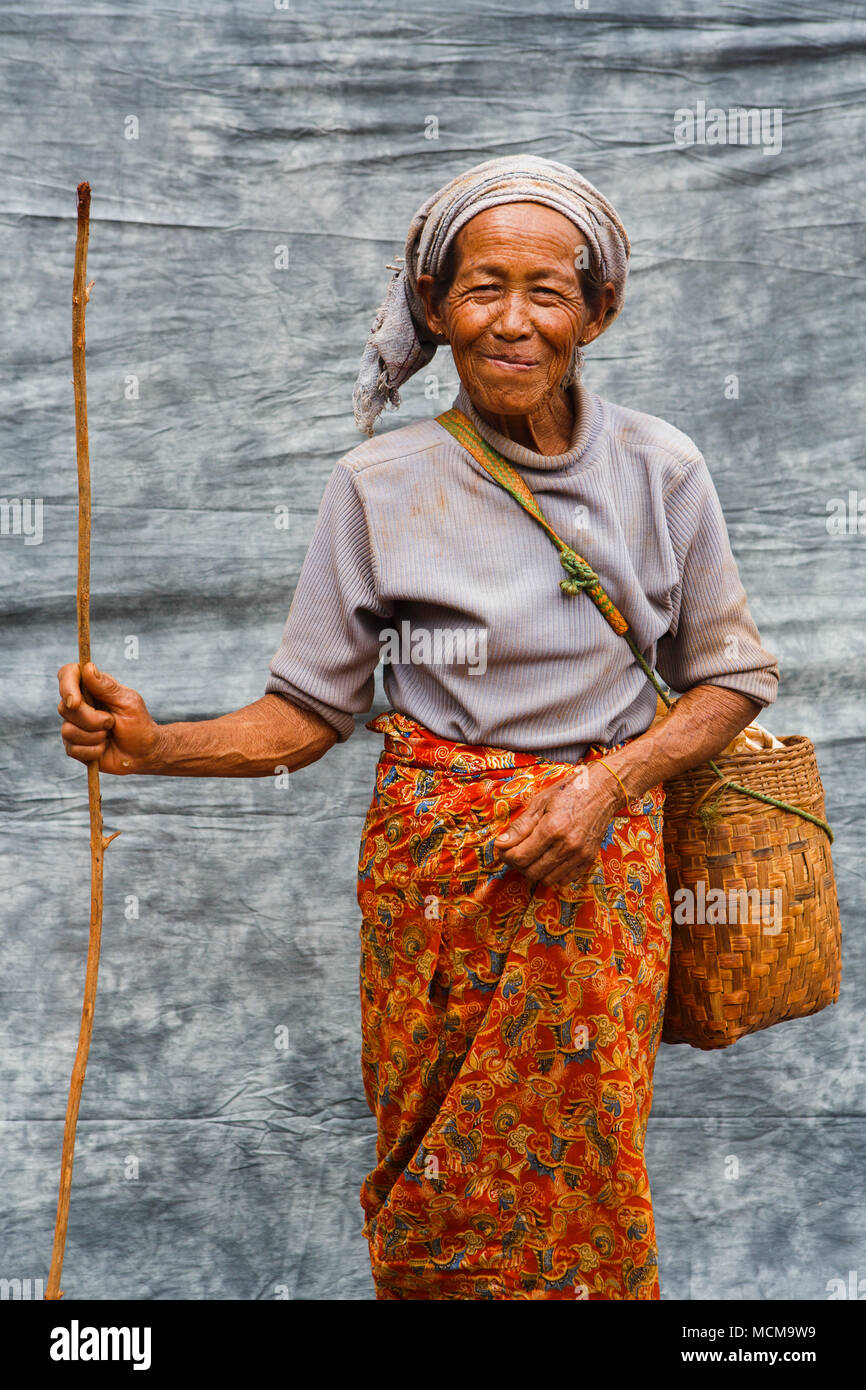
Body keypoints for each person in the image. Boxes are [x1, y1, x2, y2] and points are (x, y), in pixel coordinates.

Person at [57, 155, 779, 1301]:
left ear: (599, 308)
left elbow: (730, 680)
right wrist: (154, 745)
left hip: (598, 883)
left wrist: (607, 785)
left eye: (547, 290)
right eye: (481, 286)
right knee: (431, 1156)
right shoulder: (377, 483)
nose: (511, 321)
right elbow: (305, 715)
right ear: (434, 306)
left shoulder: (662, 468)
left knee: (585, 1153)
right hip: (435, 889)